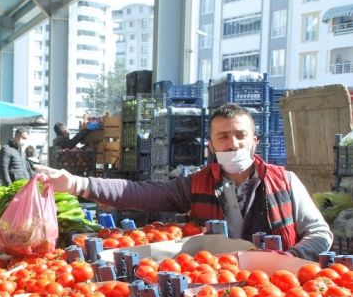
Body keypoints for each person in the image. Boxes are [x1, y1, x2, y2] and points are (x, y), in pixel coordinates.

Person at [36, 103, 332, 261]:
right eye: (223, 137)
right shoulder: (197, 184)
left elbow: (320, 234)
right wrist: (76, 184)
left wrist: (289, 257)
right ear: (212, 146)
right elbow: (142, 193)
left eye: (240, 135)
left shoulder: (286, 182)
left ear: (254, 140)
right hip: (214, 281)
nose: (233, 144)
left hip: (281, 286)